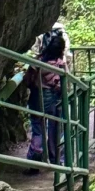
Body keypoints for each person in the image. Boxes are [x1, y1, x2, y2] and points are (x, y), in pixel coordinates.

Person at [24, 25, 71, 170]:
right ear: (61, 50)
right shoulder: (60, 65)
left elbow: (27, 80)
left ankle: (36, 156)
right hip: (53, 99)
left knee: (38, 127)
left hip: (37, 97)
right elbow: (66, 83)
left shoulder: (37, 62)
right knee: (55, 127)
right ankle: (55, 158)